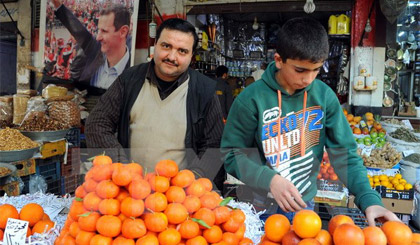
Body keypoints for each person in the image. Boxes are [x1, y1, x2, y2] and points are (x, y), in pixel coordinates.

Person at [221, 17, 400, 225]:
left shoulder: (324, 97)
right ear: (279, 60)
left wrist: (368, 199)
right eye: (300, 70)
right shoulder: (250, 100)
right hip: (259, 201)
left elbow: (345, 154)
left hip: (302, 203)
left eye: (316, 69)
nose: (309, 79)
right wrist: (269, 180)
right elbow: (232, 154)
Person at [85, 18, 225, 190]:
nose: (172, 57)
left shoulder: (204, 90)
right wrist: (123, 168)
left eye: (182, 51)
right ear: (156, 44)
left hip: (181, 198)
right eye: (166, 46)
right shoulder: (129, 80)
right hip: (131, 191)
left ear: (191, 56)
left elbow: (214, 145)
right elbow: (96, 124)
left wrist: (191, 181)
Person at [51, 0, 131, 93]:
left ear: (123, 32)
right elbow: (77, 30)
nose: (98, 37)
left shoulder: (133, 71)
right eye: (98, 30)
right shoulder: (95, 50)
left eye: (104, 31)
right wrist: (58, 5)